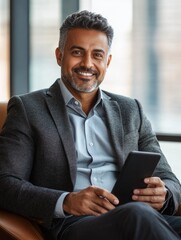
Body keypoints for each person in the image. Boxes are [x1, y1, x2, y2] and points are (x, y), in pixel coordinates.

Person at [0, 10, 181, 240]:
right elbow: (4, 184)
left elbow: (169, 179)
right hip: (74, 225)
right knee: (136, 215)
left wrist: (163, 194)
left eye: (97, 55)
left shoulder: (131, 109)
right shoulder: (28, 109)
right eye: (77, 52)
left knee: (138, 214)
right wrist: (67, 201)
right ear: (59, 55)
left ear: (108, 61)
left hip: (140, 218)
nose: (87, 64)